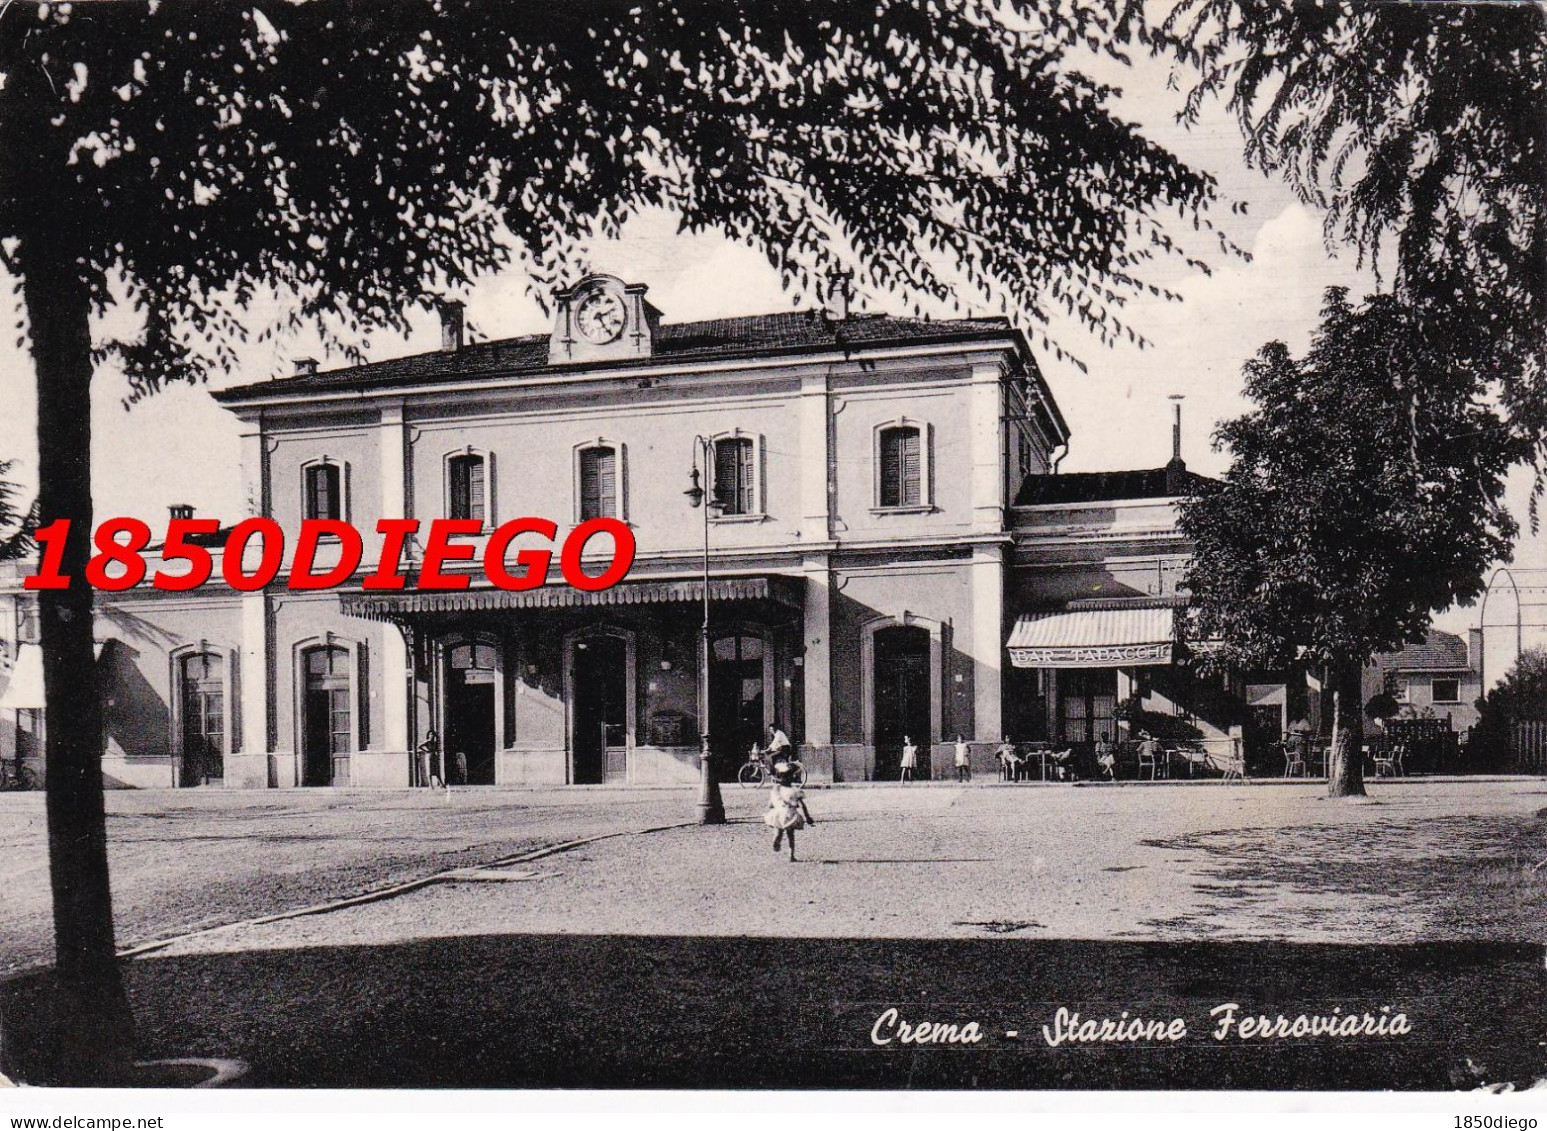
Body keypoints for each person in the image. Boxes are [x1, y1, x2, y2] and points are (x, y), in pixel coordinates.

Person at [763, 757, 814, 861]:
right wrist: (808, 817)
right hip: (790, 814)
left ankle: (776, 840)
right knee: (791, 835)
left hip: (778, 813)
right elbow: (803, 805)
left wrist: (768, 810)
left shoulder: (776, 790)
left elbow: (770, 804)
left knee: (778, 830)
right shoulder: (795, 790)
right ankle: (791, 855)